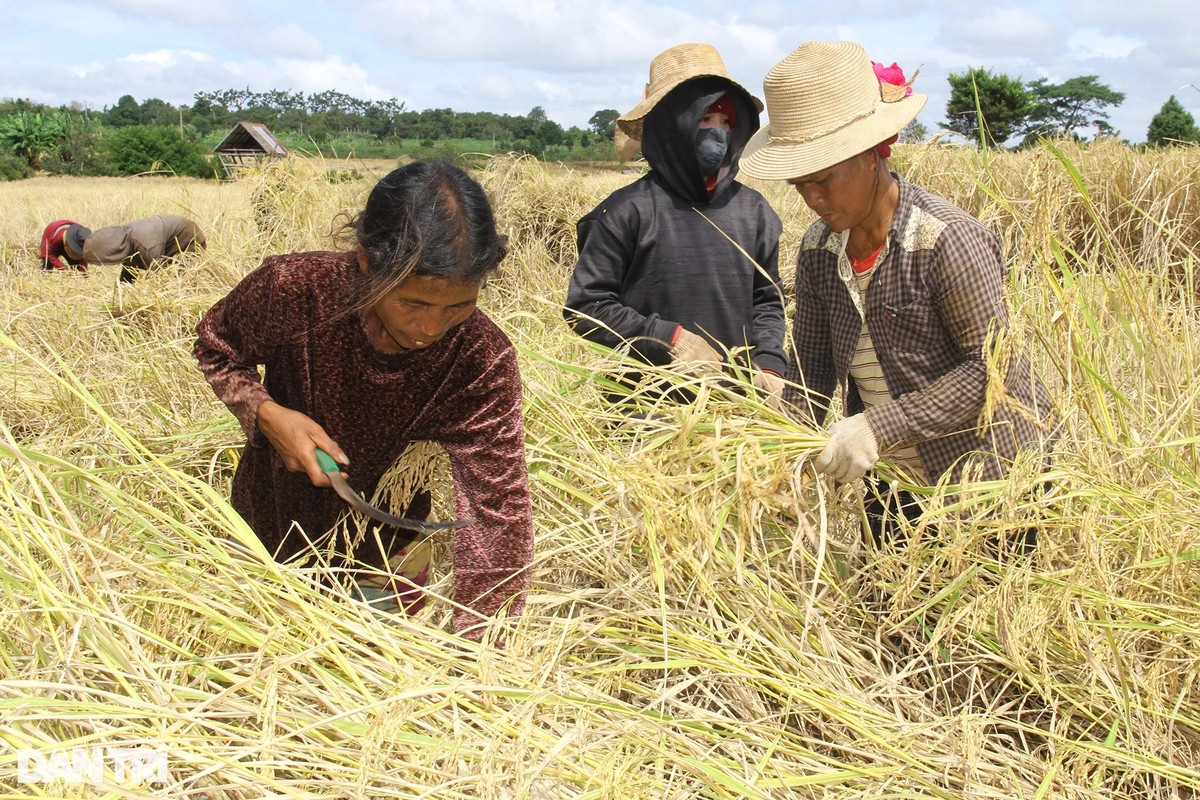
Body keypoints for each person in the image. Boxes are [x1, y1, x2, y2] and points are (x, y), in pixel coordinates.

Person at [193, 160, 533, 640]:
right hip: (267, 529)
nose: (432, 329)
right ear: (367, 262)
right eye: (412, 303)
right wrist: (268, 415)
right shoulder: (296, 290)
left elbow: (496, 509)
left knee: (365, 671)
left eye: (459, 306)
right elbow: (217, 348)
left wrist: (483, 645)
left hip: (386, 556)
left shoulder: (479, 360)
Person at [739, 41, 1058, 547]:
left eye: (822, 180)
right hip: (895, 480)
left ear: (873, 152)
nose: (812, 199)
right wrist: (787, 451)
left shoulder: (944, 240)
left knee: (978, 618)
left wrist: (879, 425)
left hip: (988, 477)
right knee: (891, 619)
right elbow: (812, 369)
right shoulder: (821, 248)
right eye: (800, 185)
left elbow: (993, 369)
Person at [563, 43, 787, 411]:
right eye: (705, 120)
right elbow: (586, 305)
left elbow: (767, 300)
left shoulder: (754, 212)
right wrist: (669, 337)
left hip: (736, 416)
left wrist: (770, 365)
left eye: (726, 122)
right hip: (644, 417)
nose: (718, 133)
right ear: (673, 124)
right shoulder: (624, 213)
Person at [39, 214, 206, 282]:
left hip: (188, 238)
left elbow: (157, 278)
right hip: (162, 233)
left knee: (183, 278)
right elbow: (130, 265)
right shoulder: (125, 240)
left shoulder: (144, 247)